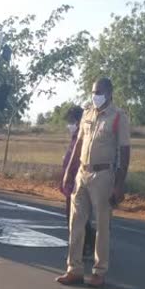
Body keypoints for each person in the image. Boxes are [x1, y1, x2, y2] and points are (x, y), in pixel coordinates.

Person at [56, 77, 131, 288]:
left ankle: (99, 271)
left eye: (98, 92)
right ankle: (74, 269)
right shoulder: (87, 113)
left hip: (104, 175)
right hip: (82, 172)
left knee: (102, 225)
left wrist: (119, 183)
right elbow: (78, 144)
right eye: (93, 92)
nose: (94, 95)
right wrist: (69, 173)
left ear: (109, 93)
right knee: (76, 222)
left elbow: (125, 151)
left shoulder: (118, 117)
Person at [59, 105, 95, 257]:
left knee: (79, 216)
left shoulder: (84, 139)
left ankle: (86, 245)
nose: (70, 125)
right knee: (72, 215)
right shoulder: (75, 138)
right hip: (70, 183)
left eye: (72, 121)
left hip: (79, 182)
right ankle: (79, 244)